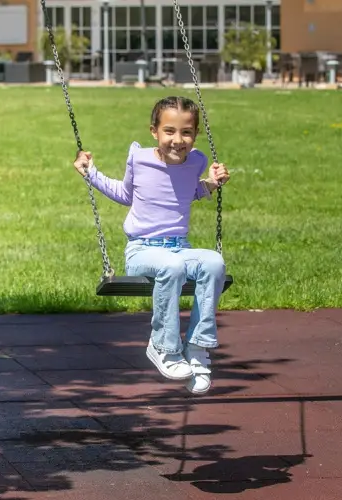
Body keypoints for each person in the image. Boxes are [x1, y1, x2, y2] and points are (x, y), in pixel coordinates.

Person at [72, 96, 230, 396]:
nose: (177, 140)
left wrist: (211, 183)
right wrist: (90, 173)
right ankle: (164, 346)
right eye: (169, 131)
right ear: (154, 131)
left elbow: (186, 192)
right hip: (143, 250)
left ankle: (197, 349)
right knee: (173, 266)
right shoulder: (140, 159)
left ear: (195, 135)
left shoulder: (196, 161)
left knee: (213, 263)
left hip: (180, 247)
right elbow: (125, 193)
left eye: (186, 132)